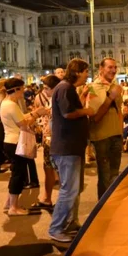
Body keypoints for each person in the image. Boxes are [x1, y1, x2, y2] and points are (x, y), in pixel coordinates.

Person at [49, 59, 93, 243]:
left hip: (72, 147)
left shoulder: (67, 88)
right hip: (67, 148)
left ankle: (69, 223)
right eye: (85, 71)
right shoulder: (65, 88)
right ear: (77, 72)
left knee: (74, 189)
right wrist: (86, 111)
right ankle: (56, 228)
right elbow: (68, 113)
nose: (87, 75)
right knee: (69, 190)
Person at [0, 78, 47, 216]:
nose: (23, 91)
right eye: (21, 89)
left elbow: (20, 118)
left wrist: (34, 113)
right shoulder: (11, 105)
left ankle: (9, 203)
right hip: (16, 142)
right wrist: (37, 113)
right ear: (15, 89)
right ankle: (13, 207)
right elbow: (23, 124)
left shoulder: (6, 103)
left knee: (16, 173)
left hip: (10, 141)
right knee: (18, 175)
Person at [87, 58, 124, 201]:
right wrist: (110, 97)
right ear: (101, 69)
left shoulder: (115, 85)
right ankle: (102, 206)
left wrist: (121, 132)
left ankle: (112, 203)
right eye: (110, 67)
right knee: (105, 175)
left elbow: (119, 111)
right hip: (101, 136)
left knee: (115, 173)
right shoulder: (93, 87)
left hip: (116, 134)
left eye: (115, 67)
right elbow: (95, 117)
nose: (113, 70)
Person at [34, 74, 61, 211]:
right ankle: (47, 198)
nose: (44, 91)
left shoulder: (58, 100)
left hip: (55, 139)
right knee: (48, 168)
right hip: (48, 138)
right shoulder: (46, 98)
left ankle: (57, 201)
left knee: (58, 170)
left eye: (47, 88)